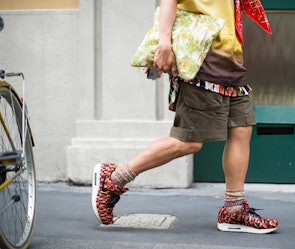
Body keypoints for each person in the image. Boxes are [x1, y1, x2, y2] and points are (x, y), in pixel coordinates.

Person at [91, 0, 279, 234]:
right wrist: (164, 42)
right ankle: (114, 177)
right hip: (200, 60)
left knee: (241, 129)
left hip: (231, 59)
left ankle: (234, 209)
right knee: (188, 141)